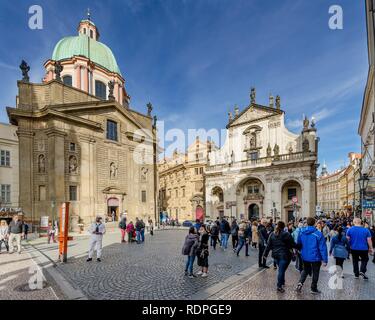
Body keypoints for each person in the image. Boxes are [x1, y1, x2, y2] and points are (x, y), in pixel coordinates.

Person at [295, 217, 328, 294]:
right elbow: (322, 248)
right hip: (315, 257)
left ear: (307, 223)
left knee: (305, 270)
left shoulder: (301, 232)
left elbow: (298, 243)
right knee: (315, 272)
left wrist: (300, 251)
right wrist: (325, 260)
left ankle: (300, 283)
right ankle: (313, 288)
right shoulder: (318, 234)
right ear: (314, 223)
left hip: (305, 256)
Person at [263, 221, 296, 292]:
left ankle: (282, 281)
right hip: (284, 255)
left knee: (281, 269)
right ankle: (279, 286)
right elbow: (293, 244)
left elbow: (268, 245)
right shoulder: (286, 234)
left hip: (275, 256)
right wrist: (300, 246)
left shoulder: (272, 234)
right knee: (281, 270)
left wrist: (265, 255)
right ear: (284, 227)